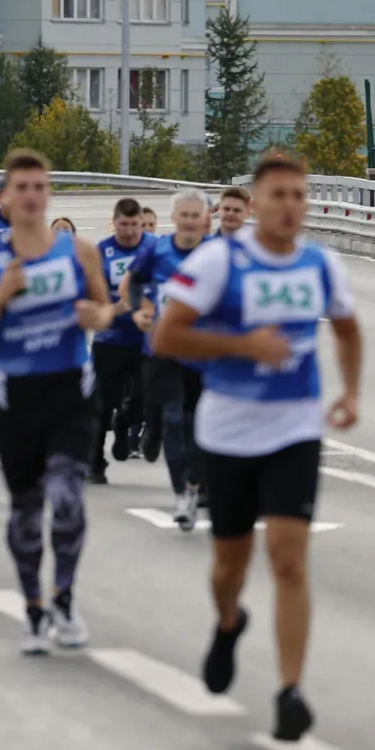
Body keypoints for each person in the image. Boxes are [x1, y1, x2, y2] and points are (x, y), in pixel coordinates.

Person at [151, 152, 362, 744]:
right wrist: (244, 347)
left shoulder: (322, 264)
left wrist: (349, 392)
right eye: (279, 196)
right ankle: (227, 621)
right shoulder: (223, 260)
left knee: (290, 559)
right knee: (229, 566)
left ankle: (290, 691)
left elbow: (347, 328)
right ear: (255, 204)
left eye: (299, 195)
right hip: (228, 430)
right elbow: (168, 335)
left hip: (294, 428)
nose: (290, 206)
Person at [0, 150, 113, 655]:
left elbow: (105, 310)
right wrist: (1, 296)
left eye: (39, 186)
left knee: (68, 498)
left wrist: (96, 316)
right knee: (27, 512)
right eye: (20, 187)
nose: (30, 195)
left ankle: (63, 596)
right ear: (4, 198)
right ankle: (33, 608)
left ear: (48, 194)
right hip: (17, 394)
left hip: (69, 388)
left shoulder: (79, 252)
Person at [125, 189, 213, 528]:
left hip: (205, 354)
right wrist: (137, 312)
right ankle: (182, 493)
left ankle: (194, 483)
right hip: (163, 351)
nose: (190, 222)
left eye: (196, 216)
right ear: (174, 217)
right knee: (174, 418)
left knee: (200, 428)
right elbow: (134, 281)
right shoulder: (156, 250)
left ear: (205, 219)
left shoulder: (217, 254)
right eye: (184, 215)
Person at [94, 198, 155, 481]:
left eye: (134, 225)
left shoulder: (154, 248)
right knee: (101, 404)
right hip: (110, 338)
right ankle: (95, 464)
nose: (129, 231)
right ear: (114, 222)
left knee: (143, 397)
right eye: (124, 224)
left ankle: (125, 423)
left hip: (144, 338)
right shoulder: (102, 251)